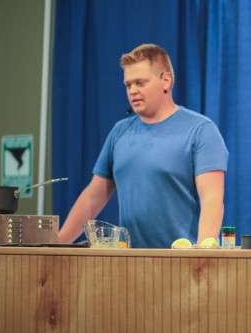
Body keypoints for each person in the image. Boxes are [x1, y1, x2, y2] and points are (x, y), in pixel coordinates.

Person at [59, 43, 229, 248]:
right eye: (128, 85)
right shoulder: (119, 132)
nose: (133, 91)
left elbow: (212, 198)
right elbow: (93, 198)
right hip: (132, 264)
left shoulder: (200, 130)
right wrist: (54, 246)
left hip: (183, 265)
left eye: (140, 83)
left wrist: (200, 255)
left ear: (165, 80)